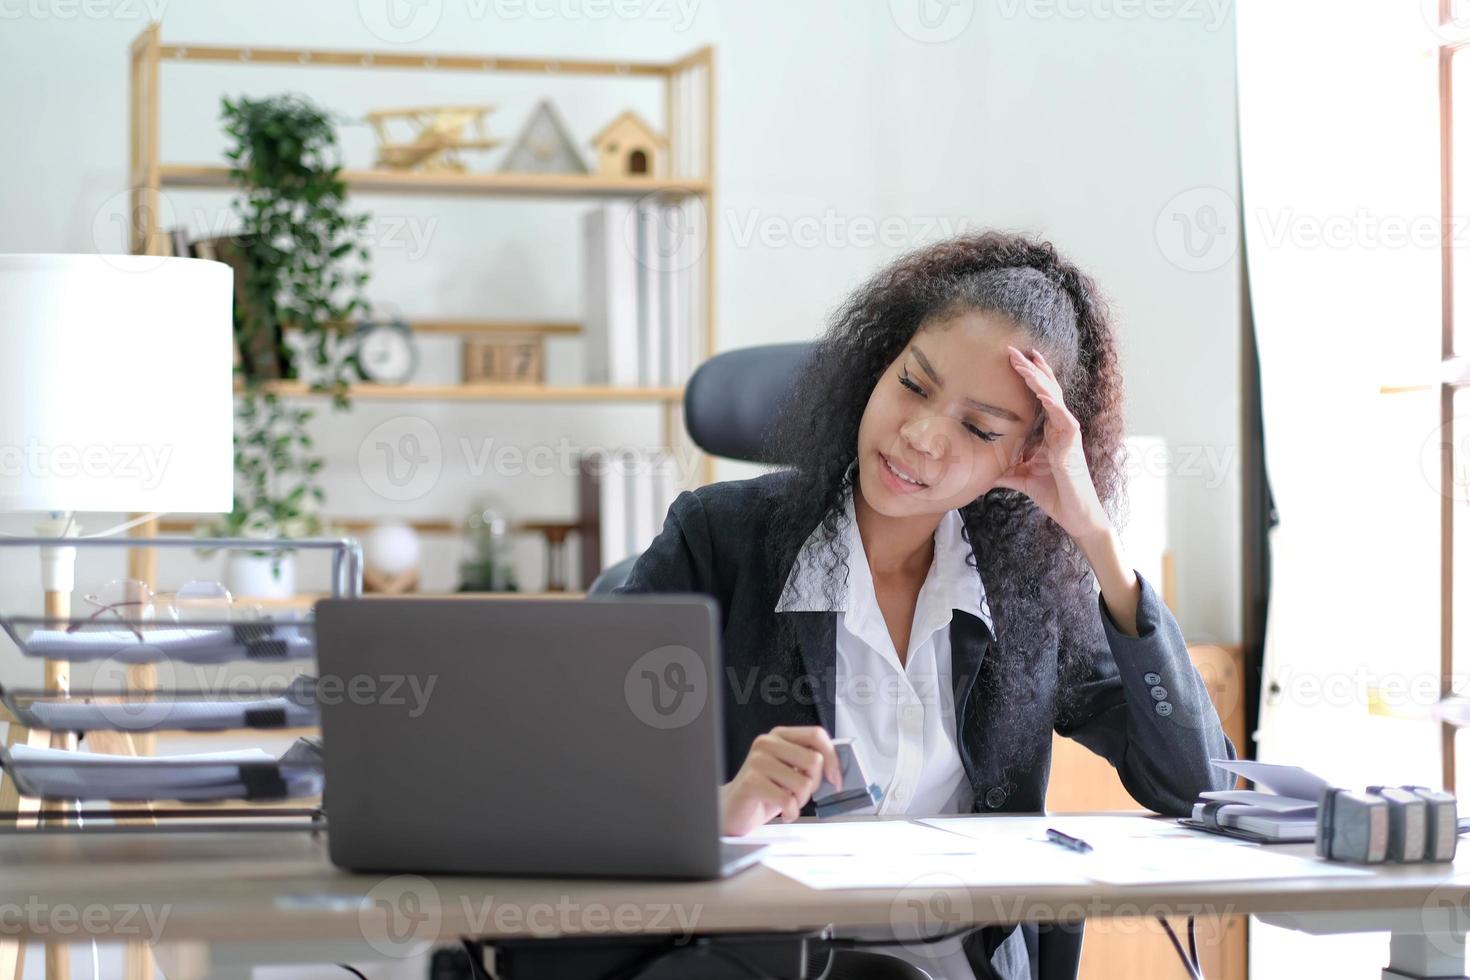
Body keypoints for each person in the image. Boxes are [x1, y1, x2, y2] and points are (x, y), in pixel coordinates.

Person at [615, 231, 1236, 980]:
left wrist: (1094, 536)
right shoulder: (720, 540)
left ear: (1027, 456)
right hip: (765, 962)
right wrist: (719, 808)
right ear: (877, 365)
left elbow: (1199, 783)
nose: (919, 436)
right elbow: (581, 773)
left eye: (979, 428)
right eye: (913, 384)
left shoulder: (1029, 587)